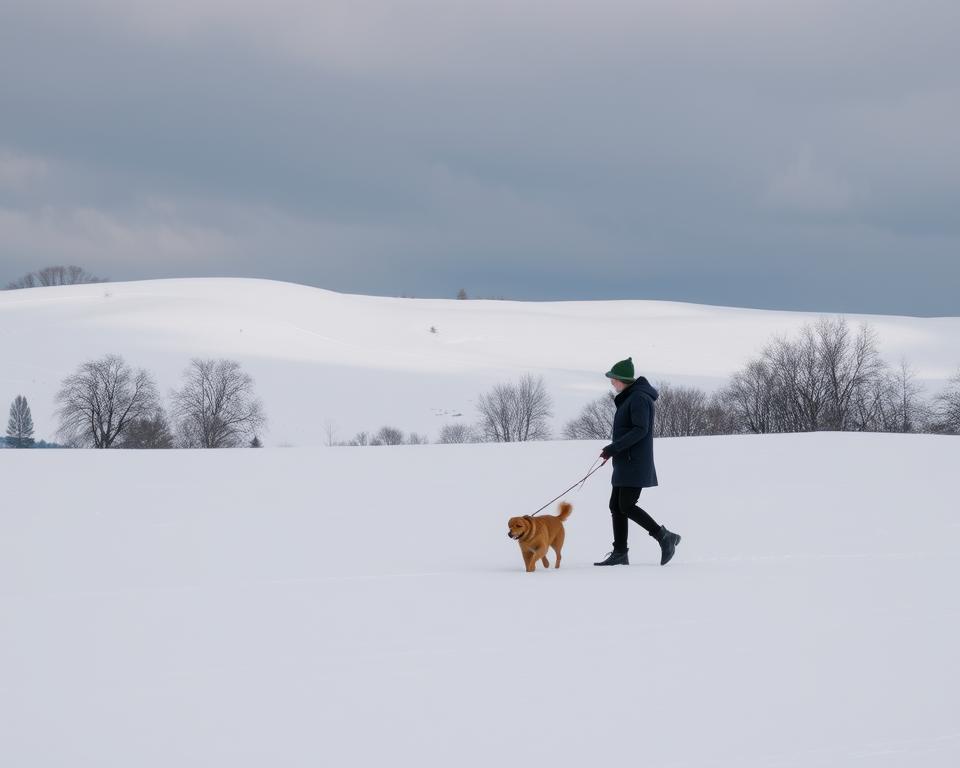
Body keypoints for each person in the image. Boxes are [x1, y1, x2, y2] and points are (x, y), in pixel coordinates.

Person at [594, 357, 681, 566]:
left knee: (626, 505)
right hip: (625, 462)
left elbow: (640, 430)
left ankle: (663, 536)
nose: (612, 383)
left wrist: (614, 448)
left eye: (613, 379)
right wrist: (613, 451)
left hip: (635, 462)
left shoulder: (639, 398)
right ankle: (620, 553)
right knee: (616, 505)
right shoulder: (630, 398)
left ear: (622, 379)